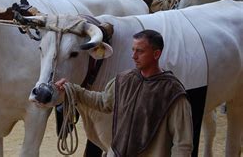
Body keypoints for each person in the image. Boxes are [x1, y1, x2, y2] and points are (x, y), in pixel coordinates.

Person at [55, 30, 193, 156]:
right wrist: (72, 89)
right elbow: (103, 102)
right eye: (133, 50)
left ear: (156, 54)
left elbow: (183, 144)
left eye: (140, 51)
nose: (134, 56)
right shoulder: (124, 80)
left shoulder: (172, 93)